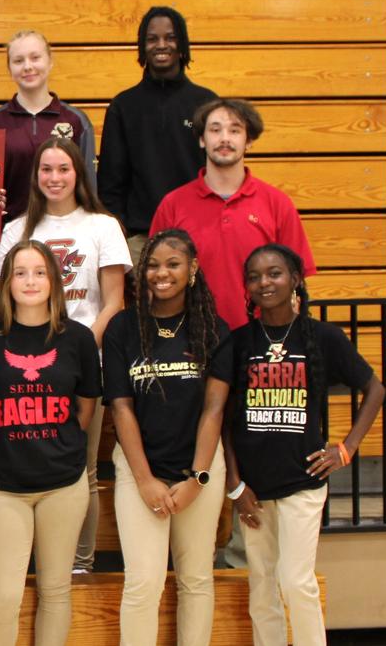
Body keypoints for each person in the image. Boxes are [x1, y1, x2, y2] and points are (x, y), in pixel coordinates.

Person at [209, 244, 384, 646]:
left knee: (295, 581)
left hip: (303, 483)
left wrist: (346, 448)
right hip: (253, 489)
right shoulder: (239, 342)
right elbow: (226, 421)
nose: (264, 282)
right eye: (254, 276)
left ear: (295, 280)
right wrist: (235, 484)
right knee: (262, 587)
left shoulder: (323, 336)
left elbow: (374, 389)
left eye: (274, 273)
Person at [0, 137, 131, 573]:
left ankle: (79, 563)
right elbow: (2, 304)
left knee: (81, 470)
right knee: (23, 464)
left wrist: (76, 348)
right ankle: (33, 563)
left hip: (83, 366)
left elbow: (113, 304)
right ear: (36, 177)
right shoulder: (17, 230)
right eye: (46, 169)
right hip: (22, 370)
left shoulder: (103, 226)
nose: (54, 177)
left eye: (63, 169)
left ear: (78, 173)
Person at [0, 239, 100, 646]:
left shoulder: (76, 338)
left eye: (40, 272)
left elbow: (86, 408)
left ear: (54, 281)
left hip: (63, 483)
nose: (30, 281)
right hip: (5, 485)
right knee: (4, 595)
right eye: (20, 273)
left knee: (55, 591)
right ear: (6, 282)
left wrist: (62, 444)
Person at [103, 230, 228, 645]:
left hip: (201, 467)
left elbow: (214, 410)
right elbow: (120, 407)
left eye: (173, 264)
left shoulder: (212, 328)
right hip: (140, 468)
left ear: (192, 269)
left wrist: (198, 478)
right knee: (143, 583)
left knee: (196, 578)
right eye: (153, 265)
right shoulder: (123, 327)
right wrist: (144, 480)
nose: (162, 273)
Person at [151, 98, 318, 331]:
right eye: (215, 130)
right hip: (191, 338)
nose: (224, 138)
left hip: (261, 338)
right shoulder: (173, 205)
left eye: (235, 130)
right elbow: (157, 279)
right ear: (202, 139)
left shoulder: (277, 203)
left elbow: (297, 280)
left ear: (248, 141)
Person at [98, 6, 218, 262]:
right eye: (152, 39)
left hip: (198, 234)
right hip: (141, 240)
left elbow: (219, 172)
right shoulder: (123, 106)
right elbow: (110, 182)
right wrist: (120, 238)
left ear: (182, 43)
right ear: (143, 46)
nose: (161, 45)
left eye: (170, 37)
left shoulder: (207, 103)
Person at [0, 30, 96, 289]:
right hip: (12, 242)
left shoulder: (75, 121)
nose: (28, 66)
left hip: (66, 244)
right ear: (9, 68)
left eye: (35, 57)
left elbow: (88, 191)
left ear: (50, 61)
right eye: (18, 60)